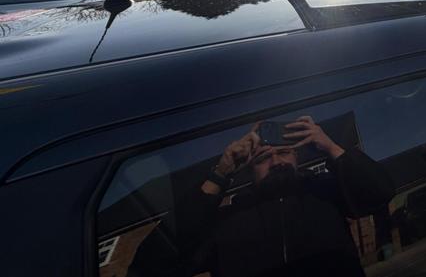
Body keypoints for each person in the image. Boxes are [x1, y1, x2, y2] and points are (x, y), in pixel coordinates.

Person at [128, 116, 394, 277]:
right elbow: (151, 266)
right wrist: (220, 174)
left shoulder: (326, 192)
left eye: (285, 152)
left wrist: (331, 147)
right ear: (248, 169)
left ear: (298, 157)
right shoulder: (226, 221)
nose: (276, 161)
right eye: (263, 158)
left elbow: (380, 193)